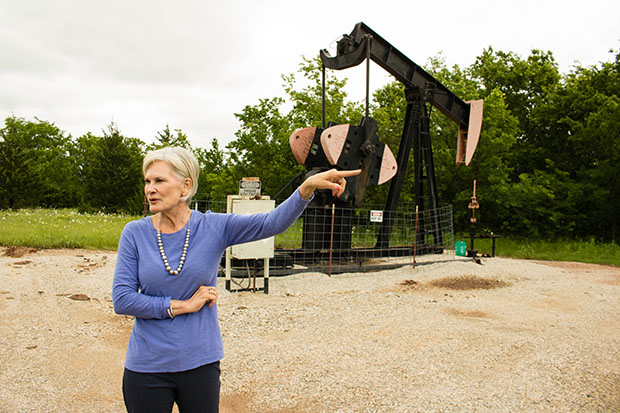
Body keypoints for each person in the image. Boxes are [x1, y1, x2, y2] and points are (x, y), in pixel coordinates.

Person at [113, 146, 360, 413]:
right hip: (147, 367)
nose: (150, 188)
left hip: (200, 364)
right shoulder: (134, 233)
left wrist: (306, 188)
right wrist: (184, 305)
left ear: (185, 186)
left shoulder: (214, 227)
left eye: (159, 181)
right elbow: (123, 300)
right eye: (148, 181)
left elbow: (271, 223)